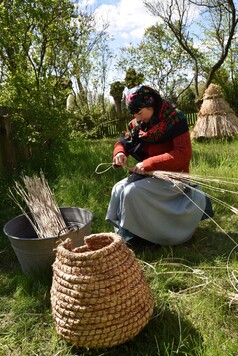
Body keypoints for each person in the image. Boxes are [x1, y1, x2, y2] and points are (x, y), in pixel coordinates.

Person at [105, 85, 208, 246]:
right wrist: (119, 153)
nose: (137, 118)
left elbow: (182, 154)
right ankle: (127, 233)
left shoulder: (175, 119)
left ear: (151, 106)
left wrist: (148, 163)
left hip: (173, 178)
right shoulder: (138, 125)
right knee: (118, 188)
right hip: (149, 175)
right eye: (135, 114)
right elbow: (123, 142)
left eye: (140, 113)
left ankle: (150, 237)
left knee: (133, 192)